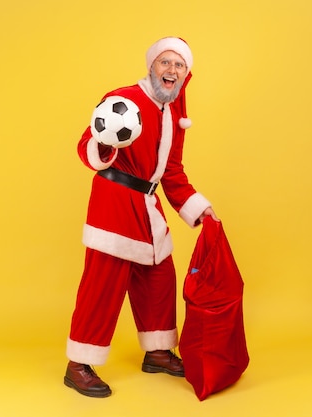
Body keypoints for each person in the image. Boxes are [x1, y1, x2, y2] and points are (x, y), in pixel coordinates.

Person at [64, 36, 218, 398]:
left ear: (185, 74)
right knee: (103, 284)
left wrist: (200, 210)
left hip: (147, 206)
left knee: (159, 276)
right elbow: (86, 148)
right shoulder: (123, 99)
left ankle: (158, 351)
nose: (172, 70)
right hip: (114, 203)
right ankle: (78, 364)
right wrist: (104, 142)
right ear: (152, 66)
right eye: (166, 62)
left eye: (179, 65)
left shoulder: (175, 111)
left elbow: (172, 172)